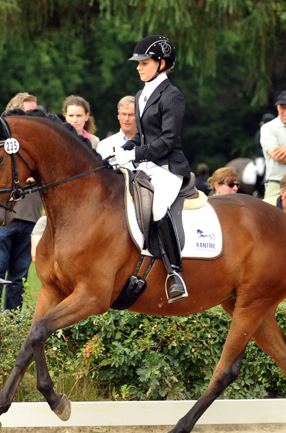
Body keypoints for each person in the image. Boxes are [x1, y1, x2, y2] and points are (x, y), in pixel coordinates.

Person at [113, 35, 190, 302]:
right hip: (147, 165)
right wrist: (123, 149)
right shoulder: (141, 94)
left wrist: (135, 153)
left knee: (157, 209)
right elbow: (143, 135)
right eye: (138, 63)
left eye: (144, 63)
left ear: (162, 63)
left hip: (169, 167)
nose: (138, 67)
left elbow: (168, 140)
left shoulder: (172, 96)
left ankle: (175, 273)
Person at [0, 98, 44, 311]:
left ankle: (13, 321)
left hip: (30, 218)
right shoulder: (2, 145)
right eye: (27, 113)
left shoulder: (36, 145)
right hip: (3, 217)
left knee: (19, 276)